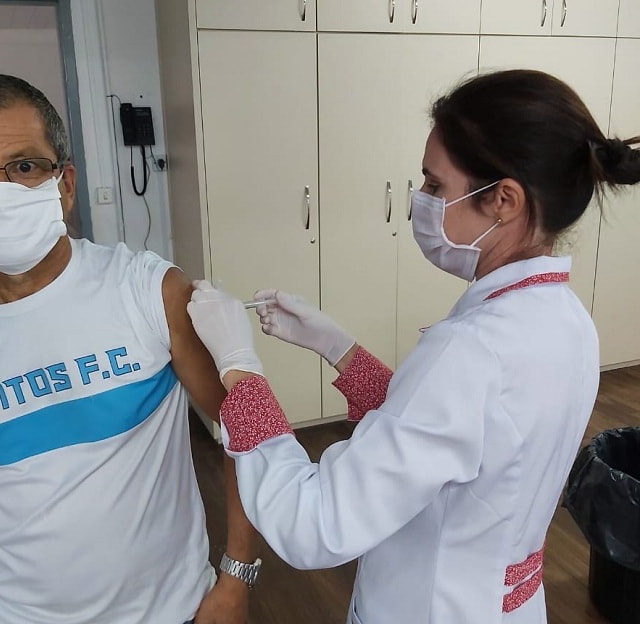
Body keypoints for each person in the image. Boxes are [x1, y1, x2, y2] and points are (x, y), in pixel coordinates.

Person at [186, 69, 640, 624]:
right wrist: (338, 347)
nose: (420, 202)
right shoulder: (565, 320)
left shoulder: (473, 350)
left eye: (434, 186)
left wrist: (239, 371)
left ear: (504, 200)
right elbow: (448, 436)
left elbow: (315, 522)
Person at [0, 72, 258, 624]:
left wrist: (237, 577)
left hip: (171, 610)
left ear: (64, 185)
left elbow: (246, 433)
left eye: (23, 166)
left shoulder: (148, 292)